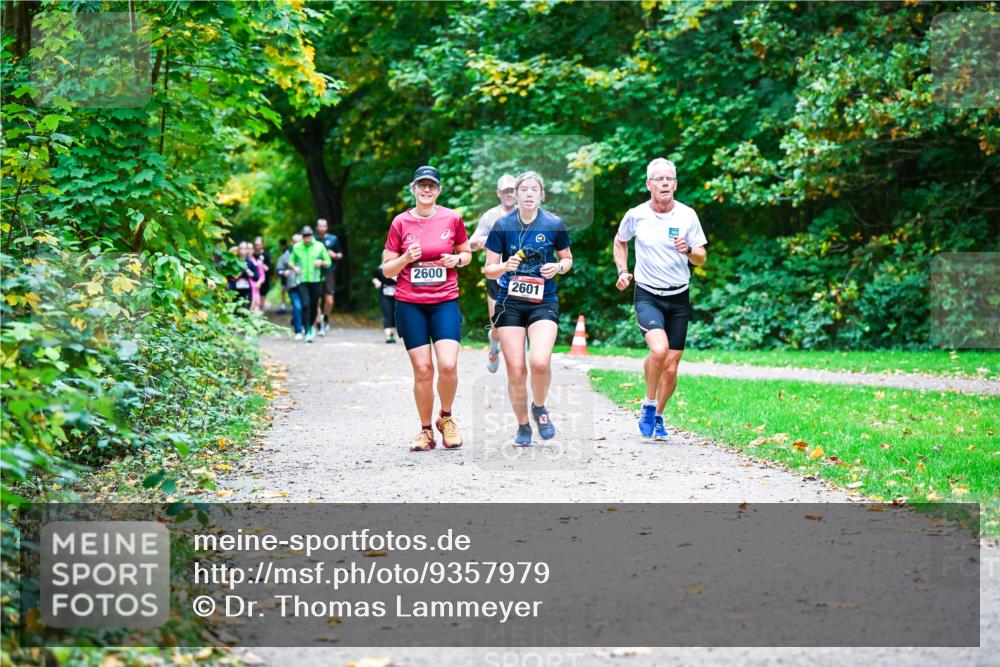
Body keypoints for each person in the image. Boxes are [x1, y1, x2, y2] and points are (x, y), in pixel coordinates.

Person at [614, 158, 707, 439]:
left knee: (671, 365)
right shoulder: (637, 214)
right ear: (649, 185)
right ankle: (648, 404)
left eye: (669, 179)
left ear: (675, 185)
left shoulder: (687, 215)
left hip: (678, 295)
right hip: (648, 293)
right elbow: (620, 241)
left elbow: (701, 259)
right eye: (659, 179)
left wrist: (688, 250)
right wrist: (623, 270)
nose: (665, 183)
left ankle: (658, 415)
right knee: (659, 351)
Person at [381, 166, 472, 452]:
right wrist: (406, 257)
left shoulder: (452, 218)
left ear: (438, 190)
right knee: (423, 370)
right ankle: (425, 430)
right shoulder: (400, 223)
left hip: (444, 300)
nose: (427, 190)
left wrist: (455, 261)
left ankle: (445, 418)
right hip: (410, 303)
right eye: (421, 185)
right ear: (414, 189)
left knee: (447, 364)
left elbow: (466, 254)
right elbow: (387, 269)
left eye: (431, 186)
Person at [484, 171, 572, 446]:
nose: (529, 194)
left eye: (535, 189)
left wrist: (558, 267)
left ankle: (539, 407)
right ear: (516, 195)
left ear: (541, 194)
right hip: (509, 303)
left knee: (540, 361)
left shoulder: (554, 224)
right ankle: (523, 425)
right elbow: (488, 269)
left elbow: (567, 259)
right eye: (524, 190)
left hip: (543, 300)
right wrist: (504, 266)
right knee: (516, 369)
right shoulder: (502, 225)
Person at [470, 174, 517, 373]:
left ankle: (517, 363)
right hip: (497, 279)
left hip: (522, 279)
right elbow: (470, 244)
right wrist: (477, 242)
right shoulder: (490, 216)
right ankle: (494, 344)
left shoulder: (528, 213)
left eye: (512, 190)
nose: (509, 194)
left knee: (520, 324)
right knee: (497, 326)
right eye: (505, 191)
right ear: (498, 193)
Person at [289, 225, 330, 343]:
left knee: (313, 305)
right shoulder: (296, 247)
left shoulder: (319, 246)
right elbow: (291, 261)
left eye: (309, 236)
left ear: (312, 236)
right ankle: (308, 330)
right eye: (305, 236)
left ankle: (311, 326)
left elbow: (329, 262)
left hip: (316, 280)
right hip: (302, 280)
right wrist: (294, 267)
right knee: (305, 304)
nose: (307, 238)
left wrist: (321, 262)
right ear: (302, 237)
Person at [314, 218, 343, 336]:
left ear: (327, 227)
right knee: (317, 300)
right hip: (315, 272)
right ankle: (318, 323)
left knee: (329, 301)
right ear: (317, 227)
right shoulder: (313, 240)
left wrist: (335, 255)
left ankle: (325, 317)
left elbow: (340, 255)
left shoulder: (333, 239)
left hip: (329, 272)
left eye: (323, 226)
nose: (321, 228)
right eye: (319, 226)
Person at [276, 235, 304, 340]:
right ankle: (298, 330)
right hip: (293, 285)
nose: (297, 243)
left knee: (306, 306)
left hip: (306, 284)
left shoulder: (307, 253)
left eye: (299, 241)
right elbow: (279, 269)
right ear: (291, 242)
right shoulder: (286, 256)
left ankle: (302, 324)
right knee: (297, 306)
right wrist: (284, 272)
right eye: (295, 241)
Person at [372, 266, 398, 343]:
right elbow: (375, 277)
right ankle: (388, 337)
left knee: (395, 315)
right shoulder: (380, 269)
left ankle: (392, 335)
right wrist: (376, 282)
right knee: (388, 313)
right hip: (385, 295)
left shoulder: (399, 267)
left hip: (397, 295)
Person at [253, 236, 272, 313]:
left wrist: (262, 262)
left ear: (262, 245)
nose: (257, 246)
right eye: (256, 244)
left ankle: (262, 315)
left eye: (259, 244)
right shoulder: (252, 255)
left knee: (262, 299)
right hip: (254, 279)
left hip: (265, 280)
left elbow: (268, 269)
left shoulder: (266, 255)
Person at [249, 241, 268, 313]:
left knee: (256, 308)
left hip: (256, 289)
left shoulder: (258, 262)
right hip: (245, 289)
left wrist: (259, 282)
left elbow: (262, 275)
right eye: (247, 249)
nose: (249, 251)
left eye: (251, 249)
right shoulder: (241, 261)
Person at [276, 238, 289, 314]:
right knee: (283, 289)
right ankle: (283, 305)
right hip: (284, 272)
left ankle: (283, 305)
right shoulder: (284, 250)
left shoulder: (287, 250)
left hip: (287, 272)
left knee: (284, 289)